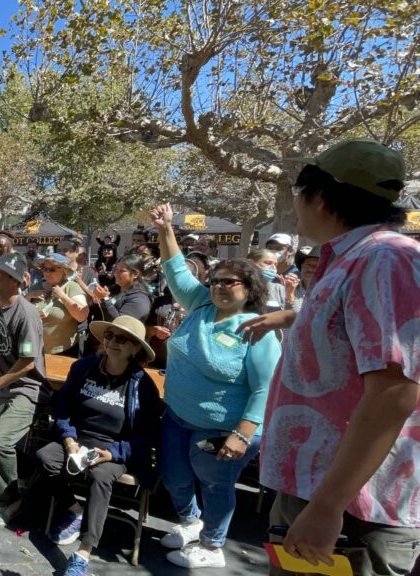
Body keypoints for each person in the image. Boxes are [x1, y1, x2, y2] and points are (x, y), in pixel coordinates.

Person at [237, 139, 420, 575]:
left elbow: (395, 392)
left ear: (319, 196)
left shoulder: (383, 260)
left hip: (352, 509)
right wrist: (288, 317)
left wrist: (327, 505)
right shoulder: (358, 259)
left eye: (299, 191)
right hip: (325, 494)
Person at [150, 203, 281, 568]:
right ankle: (192, 523)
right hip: (177, 416)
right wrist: (166, 229)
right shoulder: (200, 304)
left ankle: (212, 545)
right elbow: (175, 269)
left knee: (215, 485)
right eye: (216, 280)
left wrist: (242, 434)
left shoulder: (257, 330)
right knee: (174, 476)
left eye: (230, 282)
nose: (220, 287)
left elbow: (264, 388)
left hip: (225, 427)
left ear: (250, 288)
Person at [39, 315, 161, 576]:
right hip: (78, 438)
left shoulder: (143, 386)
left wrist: (112, 453)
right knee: (45, 457)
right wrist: (69, 439)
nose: (113, 342)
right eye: (109, 336)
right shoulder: (84, 367)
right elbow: (64, 408)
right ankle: (75, 510)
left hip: (115, 447)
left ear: (135, 348)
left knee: (100, 476)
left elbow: (148, 436)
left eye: (122, 339)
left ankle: (84, 552)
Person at [0, 251, 48, 526]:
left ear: (14, 281)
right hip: (5, 384)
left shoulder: (27, 314)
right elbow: (0, 343)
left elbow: (28, 362)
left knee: (0, 441)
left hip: (27, 389)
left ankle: (10, 500)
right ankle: (30, 473)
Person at [25, 253, 89, 356]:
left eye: (52, 269)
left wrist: (63, 296)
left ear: (64, 270)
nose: (47, 272)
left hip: (63, 352)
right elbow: (19, 313)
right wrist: (28, 296)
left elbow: (82, 315)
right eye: (44, 269)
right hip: (35, 350)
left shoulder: (71, 287)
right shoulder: (35, 288)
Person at [91, 254, 152, 323]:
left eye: (122, 271)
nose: (116, 273)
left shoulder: (140, 299)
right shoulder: (113, 290)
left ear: (136, 274)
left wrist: (105, 299)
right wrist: (96, 301)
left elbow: (120, 323)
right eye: (116, 269)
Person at [247, 249, 288, 314]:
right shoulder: (240, 287)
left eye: (275, 265)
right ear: (251, 263)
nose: (273, 268)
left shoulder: (279, 289)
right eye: (268, 263)